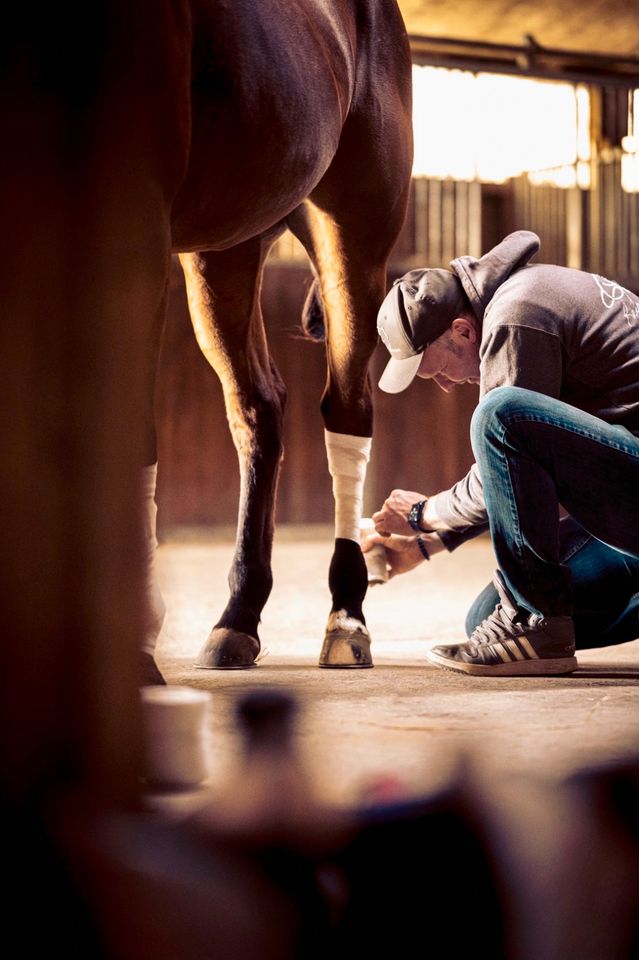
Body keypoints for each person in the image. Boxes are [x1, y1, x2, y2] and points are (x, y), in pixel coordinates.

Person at [365, 230, 639, 676]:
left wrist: (422, 514)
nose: (448, 385)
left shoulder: (519, 313)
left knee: (498, 416)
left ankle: (539, 623)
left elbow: (507, 436)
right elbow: (520, 480)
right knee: (487, 620)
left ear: (462, 329)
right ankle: (538, 622)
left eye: (440, 370)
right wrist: (429, 543)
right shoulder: (527, 293)